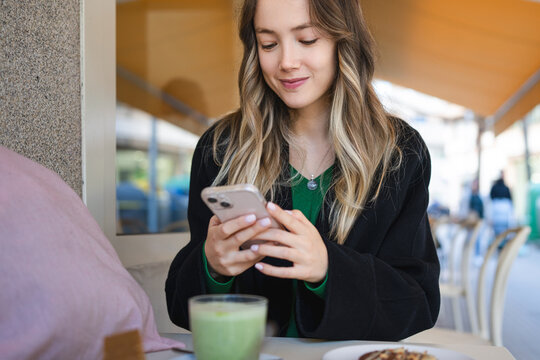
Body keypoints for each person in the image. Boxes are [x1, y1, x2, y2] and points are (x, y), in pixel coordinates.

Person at [166, 0, 440, 341]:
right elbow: (179, 305)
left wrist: (328, 267)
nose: (286, 63)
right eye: (268, 43)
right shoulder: (221, 149)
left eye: (307, 39)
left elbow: (418, 302)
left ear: (345, 40)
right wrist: (212, 266)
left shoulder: (399, 152)